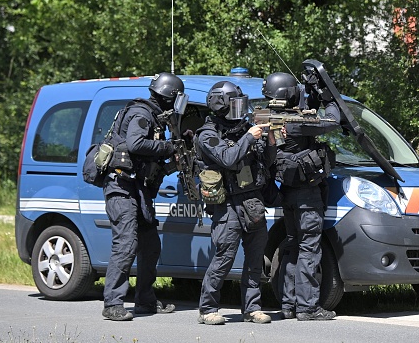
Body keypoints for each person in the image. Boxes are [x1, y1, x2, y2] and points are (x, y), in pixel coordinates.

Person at [101, 72, 181, 321]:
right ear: (168, 97)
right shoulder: (142, 114)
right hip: (121, 188)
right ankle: (112, 303)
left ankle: (145, 300)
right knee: (126, 244)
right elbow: (136, 145)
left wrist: (173, 162)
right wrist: (169, 147)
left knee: (150, 245)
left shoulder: (153, 116)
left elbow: (146, 161)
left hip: (137, 189)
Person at [262, 72, 341, 321]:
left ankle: (288, 304)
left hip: (287, 192)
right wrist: (329, 101)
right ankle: (307, 307)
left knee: (292, 247)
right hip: (306, 195)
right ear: (288, 93)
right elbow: (331, 122)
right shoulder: (295, 121)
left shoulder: (270, 120)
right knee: (309, 249)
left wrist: (313, 95)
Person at [197, 81, 277, 325]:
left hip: (252, 201)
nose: (239, 109)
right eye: (234, 104)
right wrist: (249, 137)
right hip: (228, 205)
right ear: (220, 105)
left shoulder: (245, 129)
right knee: (223, 258)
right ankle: (207, 309)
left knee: (255, 261)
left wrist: (271, 138)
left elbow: (267, 160)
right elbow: (228, 158)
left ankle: (252, 308)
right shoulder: (207, 135)